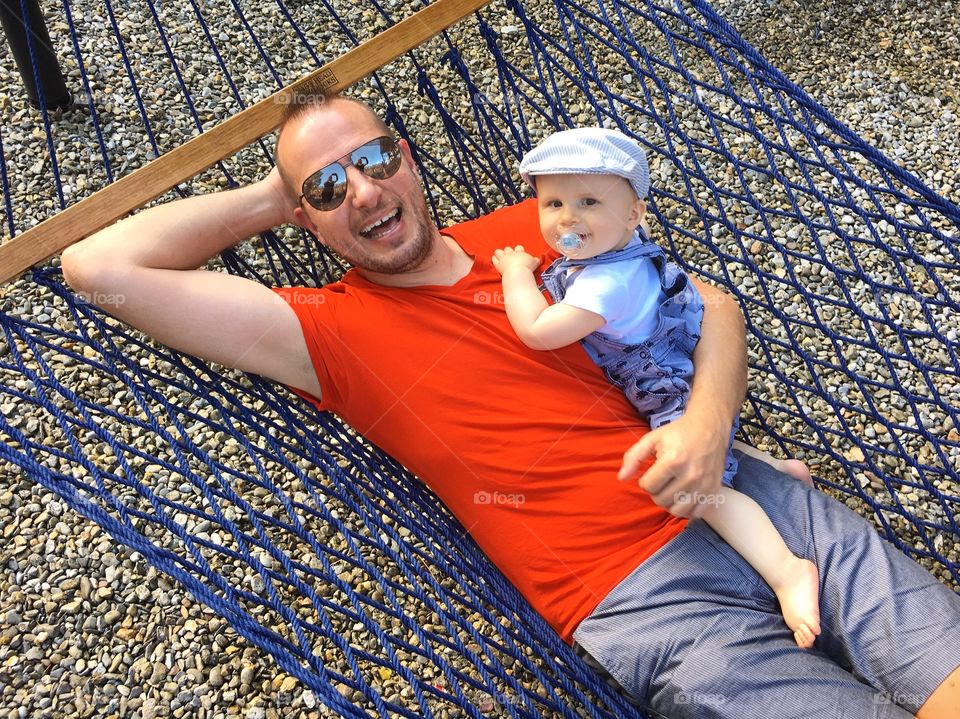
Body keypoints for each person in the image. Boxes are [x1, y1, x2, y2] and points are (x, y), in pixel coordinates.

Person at [60, 88, 960, 718]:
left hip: (743, 491)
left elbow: (711, 307)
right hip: (643, 600)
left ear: (407, 158)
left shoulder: (537, 229)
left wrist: (707, 423)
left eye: (373, 158)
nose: (364, 190)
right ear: (306, 218)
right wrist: (276, 191)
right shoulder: (321, 332)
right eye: (330, 189)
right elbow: (97, 268)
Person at [491, 127, 822, 648]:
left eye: (588, 202)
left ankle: (787, 570)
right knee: (697, 435)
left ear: (634, 214)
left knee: (698, 490)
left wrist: (515, 273)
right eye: (553, 203)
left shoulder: (605, 283)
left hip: (662, 379)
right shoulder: (621, 247)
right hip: (675, 356)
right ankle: (779, 470)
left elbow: (537, 332)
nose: (567, 218)